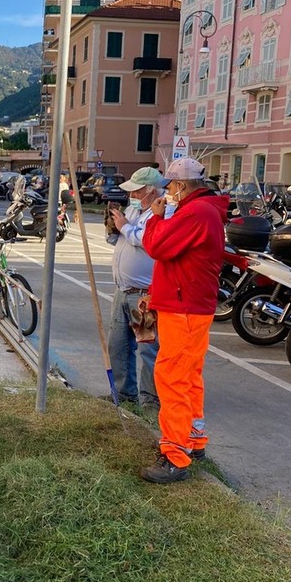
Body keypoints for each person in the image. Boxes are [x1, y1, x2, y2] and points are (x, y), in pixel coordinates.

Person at [140, 157, 229, 484]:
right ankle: (193, 440)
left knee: (172, 377)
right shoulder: (205, 211)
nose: (168, 192)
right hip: (189, 304)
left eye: (171, 186)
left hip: (184, 307)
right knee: (188, 376)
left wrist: (156, 218)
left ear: (181, 186)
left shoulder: (195, 213)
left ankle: (175, 454)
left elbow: (158, 246)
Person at [105, 166, 169, 411]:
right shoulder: (133, 209)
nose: (132, 194)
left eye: (137, 190)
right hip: (123, 290)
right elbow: (121, 238)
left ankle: (150, 402)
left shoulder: (161, 213)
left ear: (151, 190)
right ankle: (124, 394)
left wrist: (124, 227)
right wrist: (113, 228)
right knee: (118, 346)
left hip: (144, 295)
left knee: (147, 349)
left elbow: (149, 242)